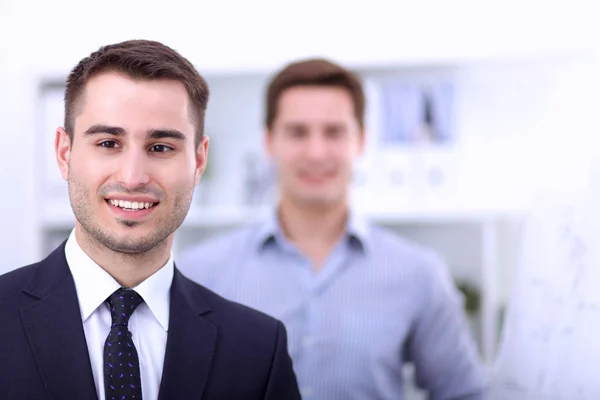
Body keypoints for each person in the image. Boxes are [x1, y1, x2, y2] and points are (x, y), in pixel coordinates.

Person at [0, 39, 301, 400]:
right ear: (64, 153)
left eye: (161, 148)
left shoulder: (256, 349)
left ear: (199, 161)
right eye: (109, 143)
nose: (132, 177)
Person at [177, 58, 488, 399]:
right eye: (297, 132)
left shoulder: (418, 274)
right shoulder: (201, 273)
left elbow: (464, 393)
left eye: (334, 132)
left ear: (361, 141)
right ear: (269, 142)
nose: (316, 152)